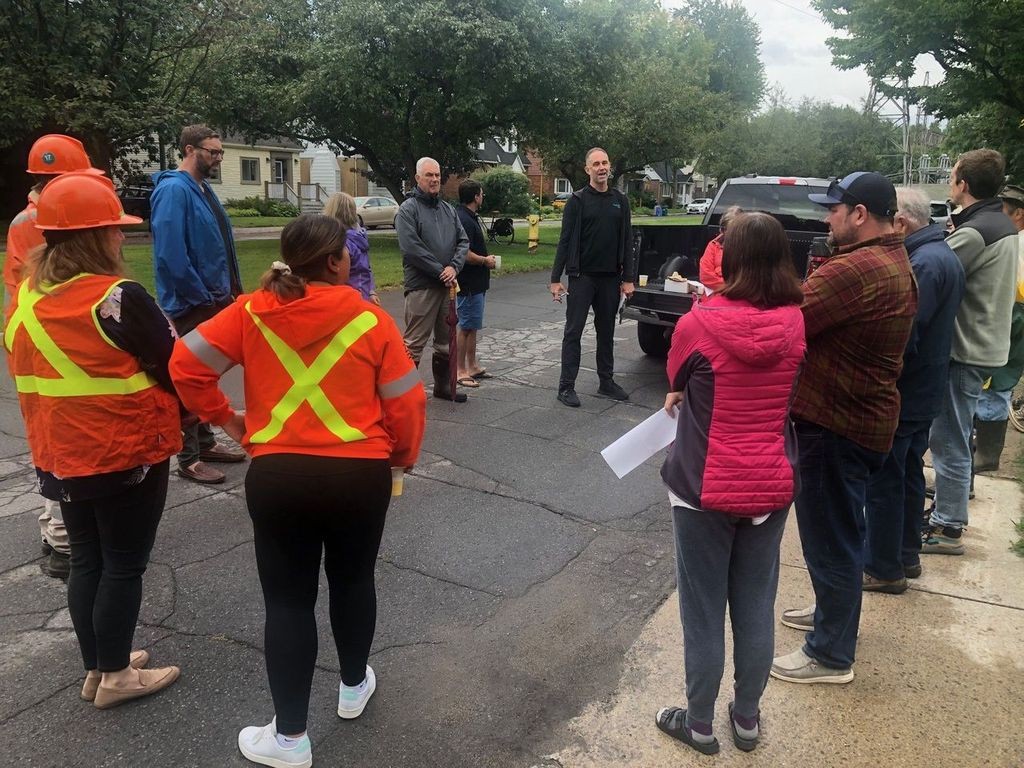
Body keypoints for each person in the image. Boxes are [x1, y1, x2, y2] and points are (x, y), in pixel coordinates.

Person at [169, 214, 426, 768]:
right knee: (354, 580)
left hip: (278, 476)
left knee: (287, 602)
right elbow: (406, 402)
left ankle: (289, 740)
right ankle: (354, 686)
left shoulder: (251, 311)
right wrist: (399, 459)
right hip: (360, 475)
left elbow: (184, 365)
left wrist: (229, 422)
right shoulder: (370, 319)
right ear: (337, 261)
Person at [4, 171, 181, 709]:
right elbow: (176, 365)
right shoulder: (116, 297)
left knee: (88, 560)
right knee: (124, 564)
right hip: (125, 452)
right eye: (113, 228)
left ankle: (99, 667)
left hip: (60, 456)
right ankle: (116, 677)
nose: (120, 237)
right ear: (94, 236)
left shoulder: (28, 297)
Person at [655, 213, 805, 755]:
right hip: (768, 487)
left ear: (732, 258)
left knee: (702, 611)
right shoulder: (797, 321)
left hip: (702, 488)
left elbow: (675, 380)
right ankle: (747, 718)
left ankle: (698, 723)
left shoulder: (698, 323)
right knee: (755, 604)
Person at [772, 172, 917, 685]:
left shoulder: (856, 268)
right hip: (861, 418)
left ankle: (831, 654)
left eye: (833, 209)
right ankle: (833, 612)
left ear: (859, 214)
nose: (825, 217)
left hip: (836, 423)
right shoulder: (891, 257)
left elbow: (789, 318)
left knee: (831, 538)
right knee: (840, 531)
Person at [5, 134, 105, 581]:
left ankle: (59, 534)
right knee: (68, 445)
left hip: (30, 337)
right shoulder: (57, 217)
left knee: (50, 440)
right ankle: (65, 541)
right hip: (63, 338)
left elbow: (18, 288)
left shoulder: (23, 219)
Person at [863, 188, 965, 591]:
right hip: (925, 389)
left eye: (889, 220)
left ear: (902, 222)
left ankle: (883, 567)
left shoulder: (922, 262)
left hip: (907, 391)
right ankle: (905, 555)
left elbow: (905, 333)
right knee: (907, 474)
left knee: (886, 480)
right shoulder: (941, 253)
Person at [925, 150, 1018, 555]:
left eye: (953, 176)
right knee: (956, 433)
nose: (950, 182)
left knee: (949, 439)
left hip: (965, 348)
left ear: (963, 184)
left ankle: (947, 525)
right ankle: (951, 505)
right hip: (986, 343)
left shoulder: (975, 232)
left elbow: (934, 269)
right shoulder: (1000, 222)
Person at [150, 124, 246, 484]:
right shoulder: (175, 190)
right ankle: (188, 457)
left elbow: (219, 246)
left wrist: (232, 290)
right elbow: (171, 257)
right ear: (190, 150)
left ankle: (205, 442)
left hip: (214, 299)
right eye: (212, 151)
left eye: (220, 152)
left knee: (207, 376)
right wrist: (203, 298)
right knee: (189, 377)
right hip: (192, 304)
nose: (218, 158)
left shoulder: (202, 189)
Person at [550, 147, 635, 407]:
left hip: (610, 277)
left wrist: (628, 278)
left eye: (605, 162)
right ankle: (566, 387)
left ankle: (606, 382)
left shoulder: (620, 200)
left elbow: (628, 240)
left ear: (609, 166)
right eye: (596, 164)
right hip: (582, 276)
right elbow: (564, 241)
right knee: (573, 331)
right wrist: (555, 279)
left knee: (606, 331)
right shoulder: (577, 201)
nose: (601, 167)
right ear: (587, 169)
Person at [396, 157, 470, 402]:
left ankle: (444, 387)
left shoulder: (448, 210)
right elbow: (411, 248)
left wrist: (454, 267)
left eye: (437, 175)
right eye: (429, 175)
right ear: (418, 178)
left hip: (447, 286)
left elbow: (463, 241)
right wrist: (440, 269)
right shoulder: (408, 210)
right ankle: (402, 396)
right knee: (413, 343)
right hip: (422, 286)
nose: (435, 180)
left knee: (445, 340)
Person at [971, 183, 1024, 473]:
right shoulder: (1015, 239)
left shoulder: (1020, 244)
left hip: (1014, 318)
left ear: (1018, 214)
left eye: (1003, 211)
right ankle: (986, 448)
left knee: (996, 383)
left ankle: (988, 455)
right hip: (1012, 316)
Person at [454, 179, 497, 386]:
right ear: (475, 197)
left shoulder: (469, 217)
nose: (483, 197)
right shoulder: (464, 219)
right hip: (469, 282)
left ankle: (472, 365)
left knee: (473, 326)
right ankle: (460, 370)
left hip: (477, 283)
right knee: (465, 327)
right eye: (481, 193)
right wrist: (484, 261)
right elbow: (464, 253)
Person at [322, 192, 380, 305]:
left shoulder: (339, 242)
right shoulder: (359, 236)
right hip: (363, 294)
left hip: (346, 299)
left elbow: (335, 275)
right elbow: (366, 268)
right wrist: (371, 291)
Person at [698, 205, 743, 292]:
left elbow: (749, 280)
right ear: (722, 230)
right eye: (730, 229)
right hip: (716, 296)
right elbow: (705, 276)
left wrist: (718, 271)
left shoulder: (751, 247)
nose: (734, 234)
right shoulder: (713, 245)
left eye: (738, 229)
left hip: (742, 298)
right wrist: (731, 287)